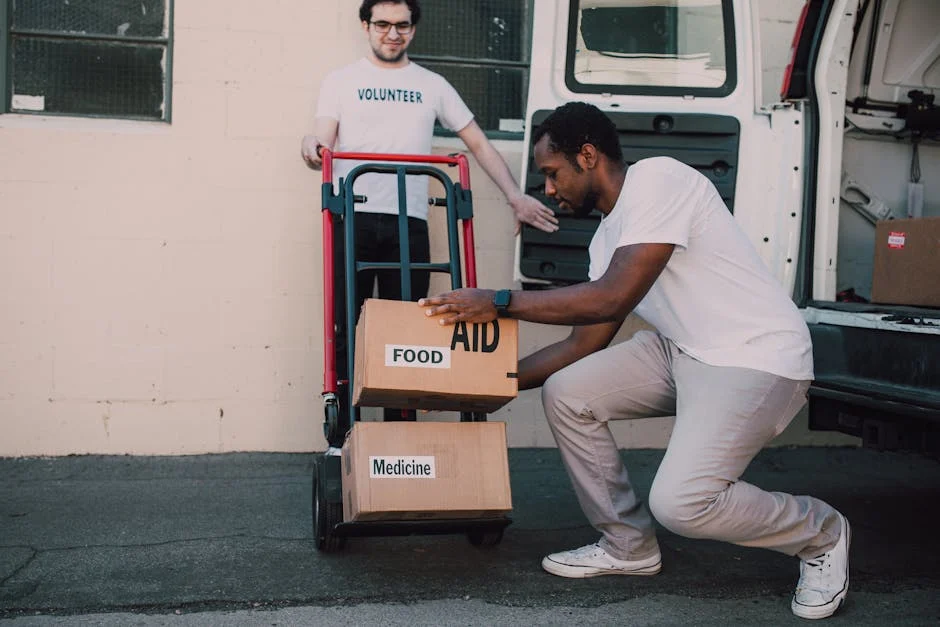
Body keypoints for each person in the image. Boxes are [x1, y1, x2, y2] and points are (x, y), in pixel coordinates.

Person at [419, 102, 850, 620]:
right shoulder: (606, 241)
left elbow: (611, 298)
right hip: (682, 348)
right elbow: (580, 347)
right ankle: (629, 546)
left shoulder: (659, 180)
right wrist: (488, 382)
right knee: (569, 391)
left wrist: (501, 300)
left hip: (755, 356)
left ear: (587, 155)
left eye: (552, 174)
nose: (549, 190)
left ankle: (822, 533)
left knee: (683, 504)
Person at [301, 0, 558, 424]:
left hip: (409, 223)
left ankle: (399, 433)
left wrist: (515, 195)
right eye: (382, 24)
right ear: (366, 26)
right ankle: (345, 437)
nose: (392, 33)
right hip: (353, 217)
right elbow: (321, 140)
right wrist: (310, 147)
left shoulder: (431, 84)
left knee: (406, 330)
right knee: (348, 327)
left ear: (413, 30)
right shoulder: (342, 81)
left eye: (402, 25)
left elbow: (476, 142)